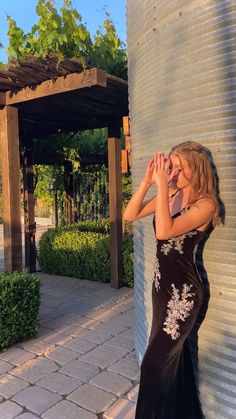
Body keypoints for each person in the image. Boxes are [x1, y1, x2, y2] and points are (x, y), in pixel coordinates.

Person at [123, 141, 221, 419]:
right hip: (161, 290)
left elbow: (164, 232)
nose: (172, 171)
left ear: (197, 169)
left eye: (179, 167)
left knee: (154, 366)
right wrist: (146, 183)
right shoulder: (171, 193)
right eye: (171, 165)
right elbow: (130, 215)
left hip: (183, 296)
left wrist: (163, 186)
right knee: (174, 362)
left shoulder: (205, 204)